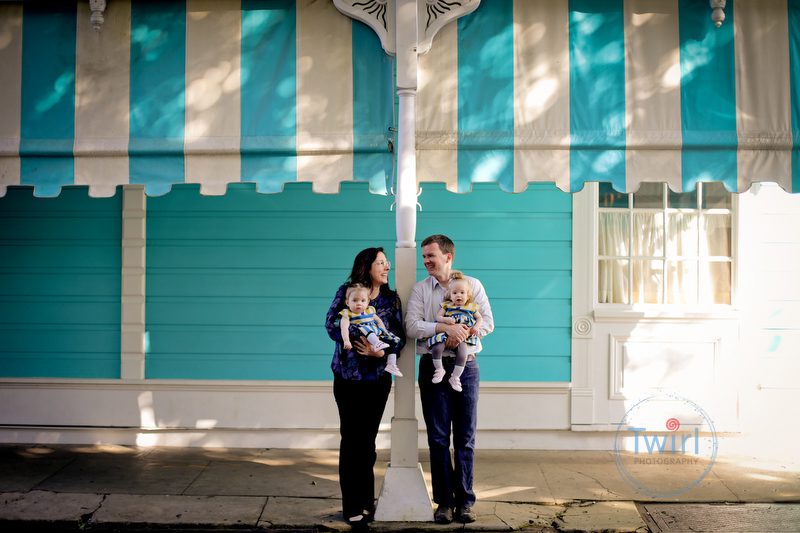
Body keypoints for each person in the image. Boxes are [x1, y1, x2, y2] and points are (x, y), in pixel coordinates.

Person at [405, 234, 494, 524]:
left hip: (466, 367)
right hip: (432, 367)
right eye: (424, 257)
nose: (426, 261)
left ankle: (465, 501)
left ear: (448, 256)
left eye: (431, 256)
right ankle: (444, 502)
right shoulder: (421, 289)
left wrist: (463, 333)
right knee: (438, 437)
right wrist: (442, 326)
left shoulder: (472, 286)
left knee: (465, 436)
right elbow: (412, 326)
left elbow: (488, 323)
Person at [325, 247, 405, 528]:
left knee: (367, 442)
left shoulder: (390, 300)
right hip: (346, 379)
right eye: (381, 263)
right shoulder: (347, 291)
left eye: (387, 263)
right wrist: (355, 325)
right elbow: (331, 324)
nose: (387, 267)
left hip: (376, 381)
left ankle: (365, 502)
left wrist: (379, 353)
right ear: (367, 266)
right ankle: (351, 507)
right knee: (351, 440)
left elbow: (399, 337)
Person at [427, 271, 483, 392]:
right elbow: (438, 317)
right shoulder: (446, 306)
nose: (458, 295)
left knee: (463, 353)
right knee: (437, 348)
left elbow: (480, 318)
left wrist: (476, 327)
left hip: (463, 336)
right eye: (455, 293)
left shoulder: (471, 307)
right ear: (450, 295)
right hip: (446, 333)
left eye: (462, 293)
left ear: (468, 295)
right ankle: (439, 369)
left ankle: (455, 377)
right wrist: (446, 319)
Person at [339, 283, 402, 376]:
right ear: (347, 302)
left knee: (394, 341)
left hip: (376, 333)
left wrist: (384, 332)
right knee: (366, 328)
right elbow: (343, 328)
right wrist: (346, 341)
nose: (359, 303)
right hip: (364, 331)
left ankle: (391, 364)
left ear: (368, 302)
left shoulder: (370, 311)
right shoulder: (347, 314)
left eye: (363, 300)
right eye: (355, 300)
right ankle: (377, 343)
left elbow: (379, 321)